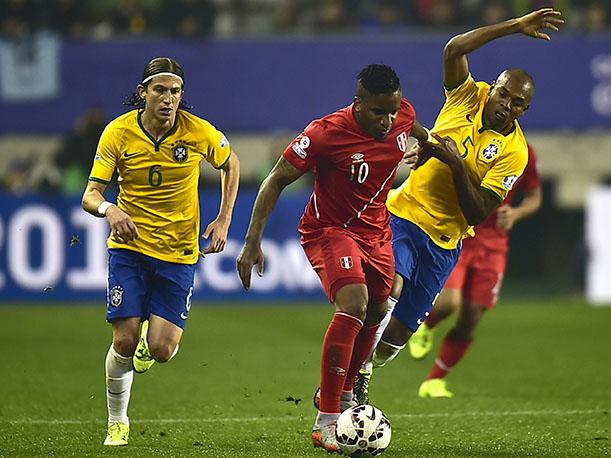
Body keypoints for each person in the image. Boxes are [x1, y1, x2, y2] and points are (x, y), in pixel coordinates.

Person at [353, 8, 562, 405]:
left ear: (523, 112)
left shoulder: (515, 154)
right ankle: (352, 383)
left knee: (395, 339)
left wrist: (453, 162)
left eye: (516, 103)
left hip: (447, 241)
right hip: (404, 216)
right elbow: (454, 48)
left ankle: (361, 365)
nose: (505, 103)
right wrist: (515, 27)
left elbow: (478, 212)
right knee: (388, 291)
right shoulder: (468, 93)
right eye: (503, 93)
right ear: (493, 87)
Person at [236, 64, 429, 453]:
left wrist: (433, 146)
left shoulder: (402, 116)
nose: (388, 120)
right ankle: (326, 419)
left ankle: (341, 394)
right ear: (358, 104)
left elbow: (417, 131)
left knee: (378, 308)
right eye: (378, 112)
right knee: (354, 304)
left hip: (377, 232)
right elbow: (275, 180)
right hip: (329, 230)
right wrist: (252, 240)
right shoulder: (325, 134)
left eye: (392, 111)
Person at [81, 57, 240, 446]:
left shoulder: (197, 131)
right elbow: (91, 195)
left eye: (175, 92)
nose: (168, 99)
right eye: (160, 91)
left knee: (163, 350)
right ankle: (117, 421)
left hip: (179, 252)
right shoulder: (117, 133)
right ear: (143, 93)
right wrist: (110, 209)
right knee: (123, 341)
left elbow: (231, 162)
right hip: (129, 249)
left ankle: (152, 337)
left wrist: (224, 219)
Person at [409, 143, 542, 398]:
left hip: (494, 244)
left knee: (471, 319)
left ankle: (434, 381)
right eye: (503, 99)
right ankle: (426, 325)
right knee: (449, 303)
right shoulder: (470, 137)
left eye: (517, 103)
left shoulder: (524, 152)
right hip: (460, 232)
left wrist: (516, 213)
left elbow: (535, 197)